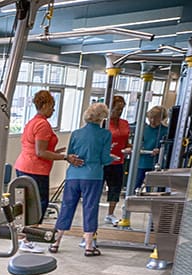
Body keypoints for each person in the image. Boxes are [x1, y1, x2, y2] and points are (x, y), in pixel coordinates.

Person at [13, 90, 82, 253]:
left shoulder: (32, 122)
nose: (53, 110)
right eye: (52, 107)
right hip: (35, 170)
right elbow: (40, 152)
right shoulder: (43, 124)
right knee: (37, 205)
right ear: (45, 105)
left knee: (25, 205)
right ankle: (28, 239)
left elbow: (39, 148)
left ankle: (23, 238)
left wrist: (57, 152)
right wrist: (65, 157)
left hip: (24, 166)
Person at [48, 103, 117, 257]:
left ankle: (55, 242)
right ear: (102, 117)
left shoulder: (76, 133)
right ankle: (88, 246)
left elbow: (71, 155)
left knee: (67, 206)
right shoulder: (105, 135)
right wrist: (113, 158)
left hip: (73, 175)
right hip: (93, 176)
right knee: (90, 207)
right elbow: (104, 159)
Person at [103, 96, 132, 224]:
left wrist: (129, 148)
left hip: (118, 161)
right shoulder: (104, 123)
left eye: (121, 109)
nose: (119, 112)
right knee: (97, 187)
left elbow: (127, 142)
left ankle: (110, 213)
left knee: (115, 188)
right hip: (104, 161)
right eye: (117, 109)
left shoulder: (125, 124)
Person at [134, 105, 169, 191]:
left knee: (152, 187)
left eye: (156, 119)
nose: (152, 121)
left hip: (156, 163)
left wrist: (160, 150)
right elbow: (137, 143)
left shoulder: (165, 131)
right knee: (136, 185)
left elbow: (168, 147)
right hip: (142, 162)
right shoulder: (143, 129)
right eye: (151, 118)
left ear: (161, 119)